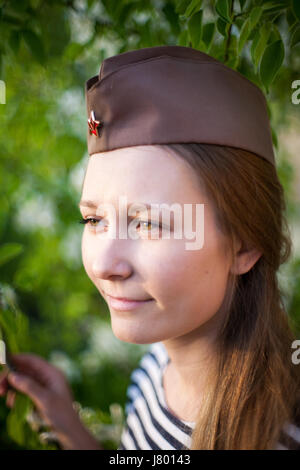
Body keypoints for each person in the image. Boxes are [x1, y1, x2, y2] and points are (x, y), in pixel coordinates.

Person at [0, 45, 300, 450]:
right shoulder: (158, 365)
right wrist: (70, 428)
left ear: (243, 245)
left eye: (149, 223)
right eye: (94, 220)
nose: (104, 263)